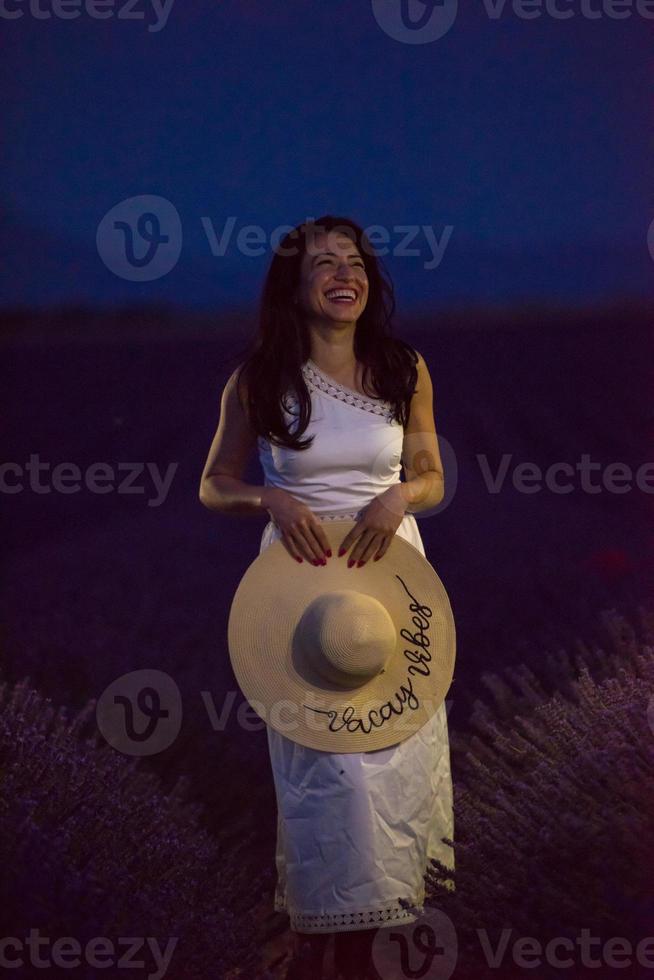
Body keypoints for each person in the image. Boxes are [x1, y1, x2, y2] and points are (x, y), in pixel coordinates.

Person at [199, 215, 454, 980]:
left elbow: (435, 478)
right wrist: (269, 501)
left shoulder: (403, 366)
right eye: (325, 264)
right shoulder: (258, 377)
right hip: (303, 588)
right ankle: (325, 947)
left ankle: (393, 953)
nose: (345, 275)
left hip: (389, 580)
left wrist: (399, 497)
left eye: (356, 263)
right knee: (328, 769)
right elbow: (214, 485)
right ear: (294, 284)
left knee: (398, 758)